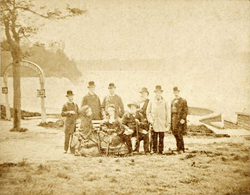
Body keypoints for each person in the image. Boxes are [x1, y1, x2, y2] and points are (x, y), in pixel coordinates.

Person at [147, 85, 169, 155]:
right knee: (154, 136)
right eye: (157, 92)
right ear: (155, 93)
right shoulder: (151, 101)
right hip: (154, 121)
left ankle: (161, 150)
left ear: (161, 92)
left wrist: (167, 122)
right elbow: (148, 112)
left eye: (159, 92)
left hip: (162, 121)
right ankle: (154, 150)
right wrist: (150, 120)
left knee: (161, 136)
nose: (158, 93)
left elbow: (168, 112)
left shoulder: (165, 101)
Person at [171, 87, 188, 154]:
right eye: (174, 92)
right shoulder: (172, 101)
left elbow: (185, 110)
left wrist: (183, 119)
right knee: (175, 133)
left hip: (179, 119)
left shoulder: (183, 101)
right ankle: (178, 147)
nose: (176, 93)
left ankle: (181, 148)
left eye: (177, 92)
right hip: (173, 120)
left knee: (179, 134)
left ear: (178, 92)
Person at [134, 87, 150, 154]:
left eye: (144, 93)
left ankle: (146, 150)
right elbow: (135, 112)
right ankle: (136, 149)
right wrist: (136, 118)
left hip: (146, 121)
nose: (142, 94)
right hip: (138, 121)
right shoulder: (138, 102)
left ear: (147, 94)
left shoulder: (149, 102)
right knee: (138, 134)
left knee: (145, 134)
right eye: (141, 93)